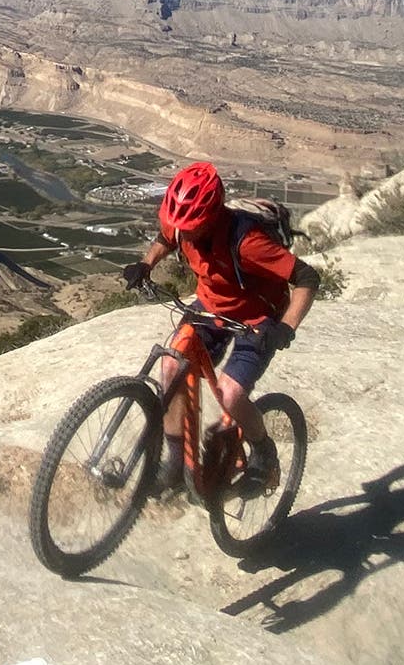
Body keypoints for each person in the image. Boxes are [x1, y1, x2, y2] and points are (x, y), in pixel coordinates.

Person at [119, 161, 319, 492]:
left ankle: (264, 453)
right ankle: (176, 464)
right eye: (179, 225)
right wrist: (146, 263)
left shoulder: (249, 242)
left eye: (191, 227)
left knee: (230, 393)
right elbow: (166, 237)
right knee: (171, 367)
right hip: (210, 307)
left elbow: (306, 277)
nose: (183, 233)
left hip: (257, 319)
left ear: (211, 218)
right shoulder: (181, 224)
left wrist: (286, 327)